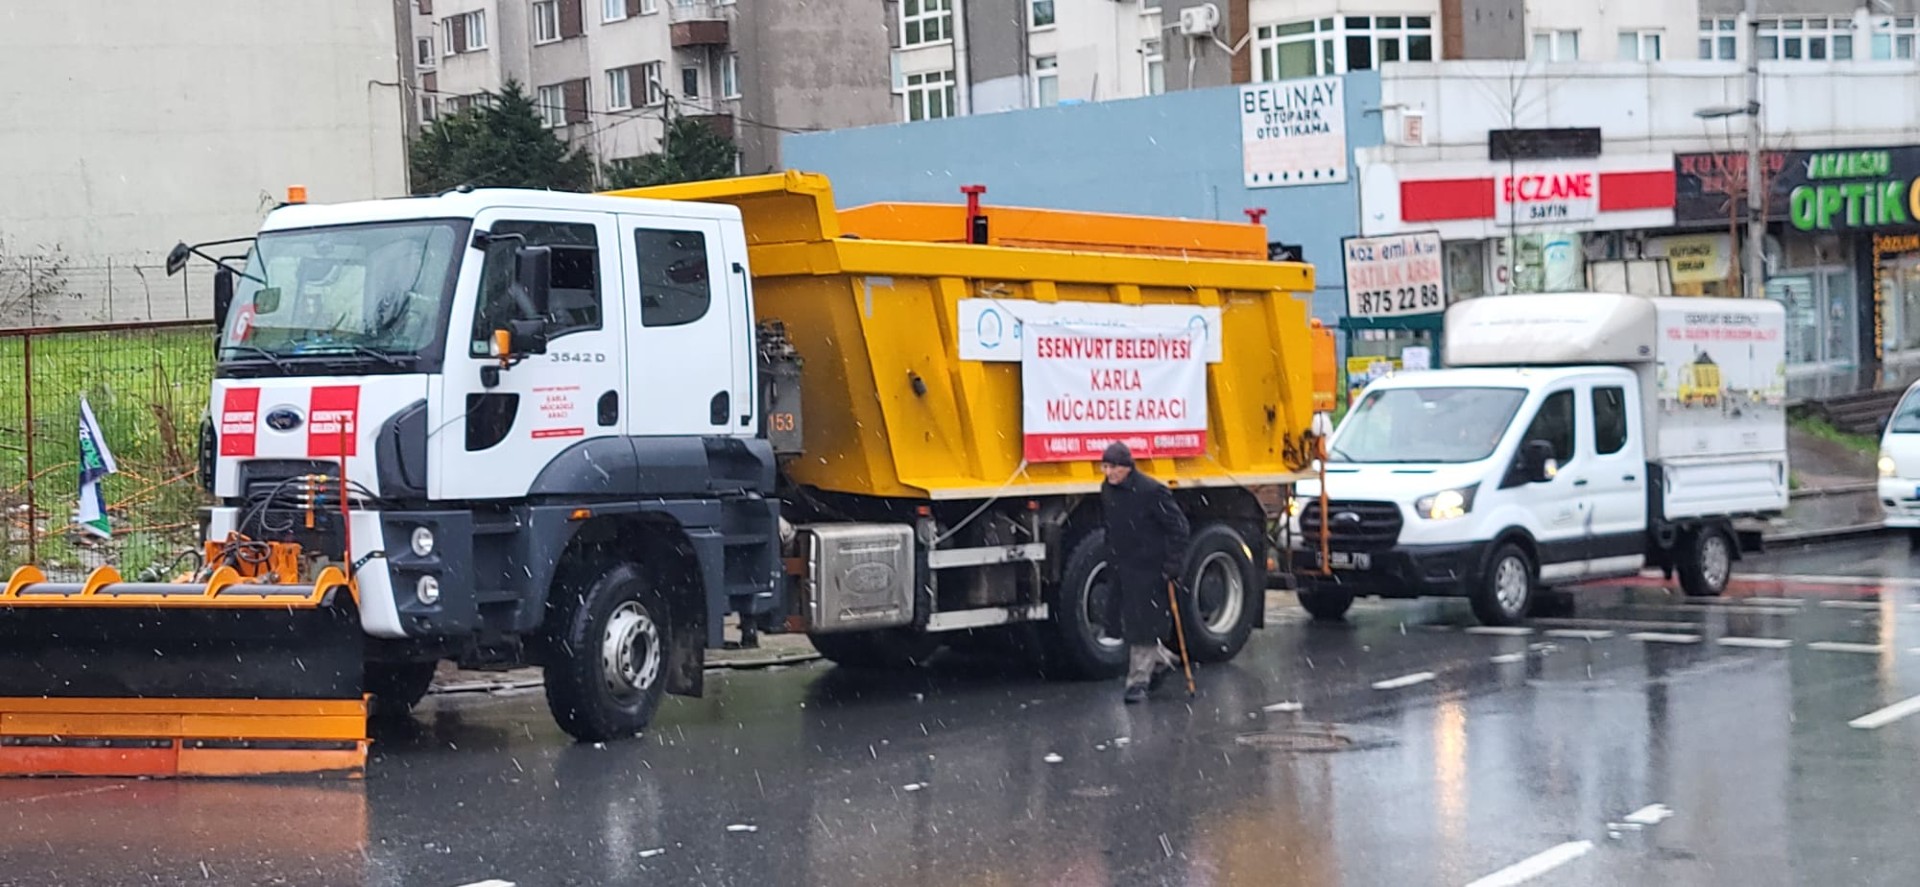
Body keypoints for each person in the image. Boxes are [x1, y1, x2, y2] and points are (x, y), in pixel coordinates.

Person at [1098, 442, 1191, 704]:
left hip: (1149, 568)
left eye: (1113, 467)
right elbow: (1109, 525)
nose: (1108, 473)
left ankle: (1137, 682)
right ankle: (1162, 660)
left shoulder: (1151, 491)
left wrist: (1173, 564)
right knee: (1126, 623)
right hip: (1121, 565)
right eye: (1105, 467)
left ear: (1127, 467)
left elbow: (1179, 528)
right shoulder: (1107, 491)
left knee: (1142, 625)